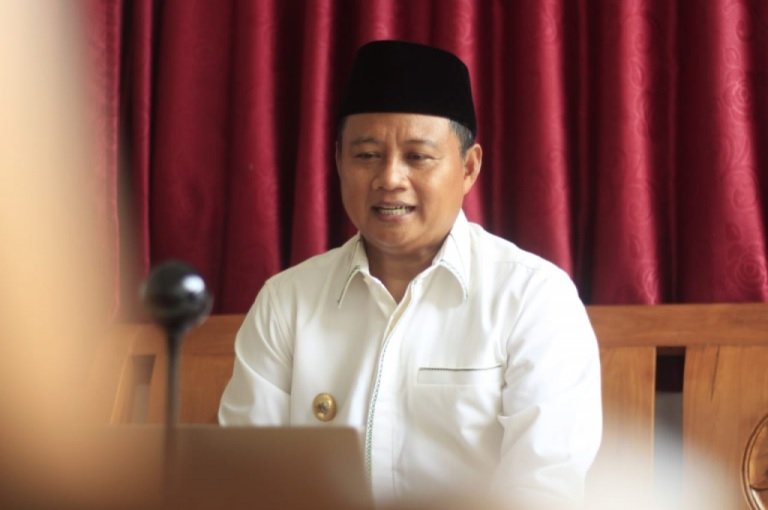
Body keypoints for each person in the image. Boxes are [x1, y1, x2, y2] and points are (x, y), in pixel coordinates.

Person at [219, 40, 602, 508]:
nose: (389, 179)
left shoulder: (533, 299)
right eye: (366, 155)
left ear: (469, 168)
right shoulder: (287, 301)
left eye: (418, 157)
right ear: (338, 162)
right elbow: (246, 478)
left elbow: (542, 490)